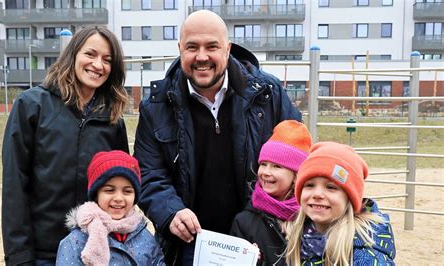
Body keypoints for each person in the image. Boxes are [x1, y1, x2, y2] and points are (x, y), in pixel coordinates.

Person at [133, 10, 302, 265]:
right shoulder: (156, 106)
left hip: (260, 237)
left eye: (212, 46)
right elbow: (148, 173)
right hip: (188, 244)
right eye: (192, 47)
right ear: (180, 49)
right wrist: (170, 212)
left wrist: (267, 217)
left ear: (227, 48)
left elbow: (298, 161)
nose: (202, 57)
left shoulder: (268, 94)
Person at [2, 26, 130, 265]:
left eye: (107, 59)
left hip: (93, 252)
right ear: (73, 55)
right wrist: (19, 256)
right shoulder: (31, 106)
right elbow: (14, 187)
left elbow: (121, 187)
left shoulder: (113, 119)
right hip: (42, 254)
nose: (98, 65)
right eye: (90, 54)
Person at [285, 142, 396, 265]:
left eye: (331, 187)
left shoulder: (366, 257)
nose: (317, 194)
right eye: (310, 185)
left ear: (350, 198)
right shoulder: (299, 238)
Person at [56, 150, 165, 265]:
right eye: (109, 190)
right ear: (96, 194)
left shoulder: (145, 237)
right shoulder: (75, 242)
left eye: (127, 191)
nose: (118, 198)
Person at [230, 120, 312, 266]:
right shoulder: (244, 222)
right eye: (263, 164)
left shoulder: (312, 218)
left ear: (296, 176)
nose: (266, 172)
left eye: (276, 166)